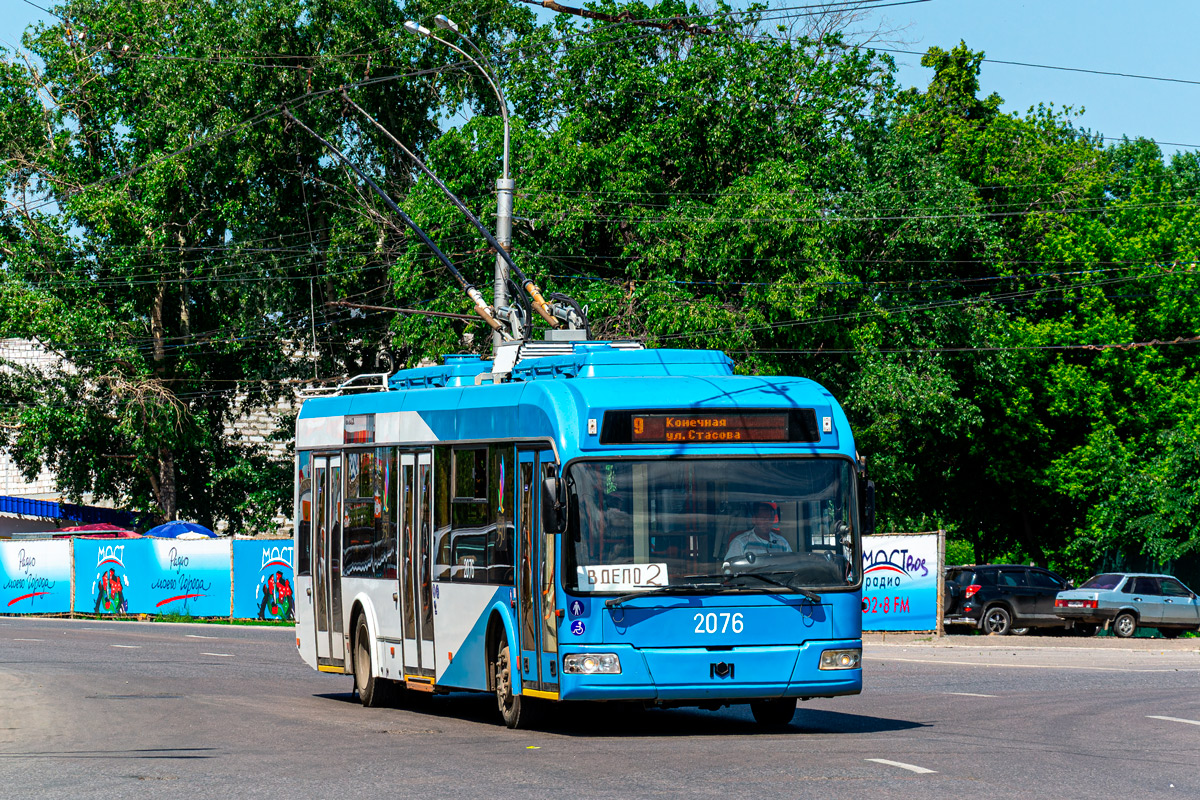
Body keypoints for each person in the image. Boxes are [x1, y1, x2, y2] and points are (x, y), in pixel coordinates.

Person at [725, 502, 792, 559]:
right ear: (754, 520)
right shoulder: (741, 542)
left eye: (770, 519)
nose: (767, 522)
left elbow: (791, 564)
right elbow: (730, 568)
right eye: (763, 518)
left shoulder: (782, 542)